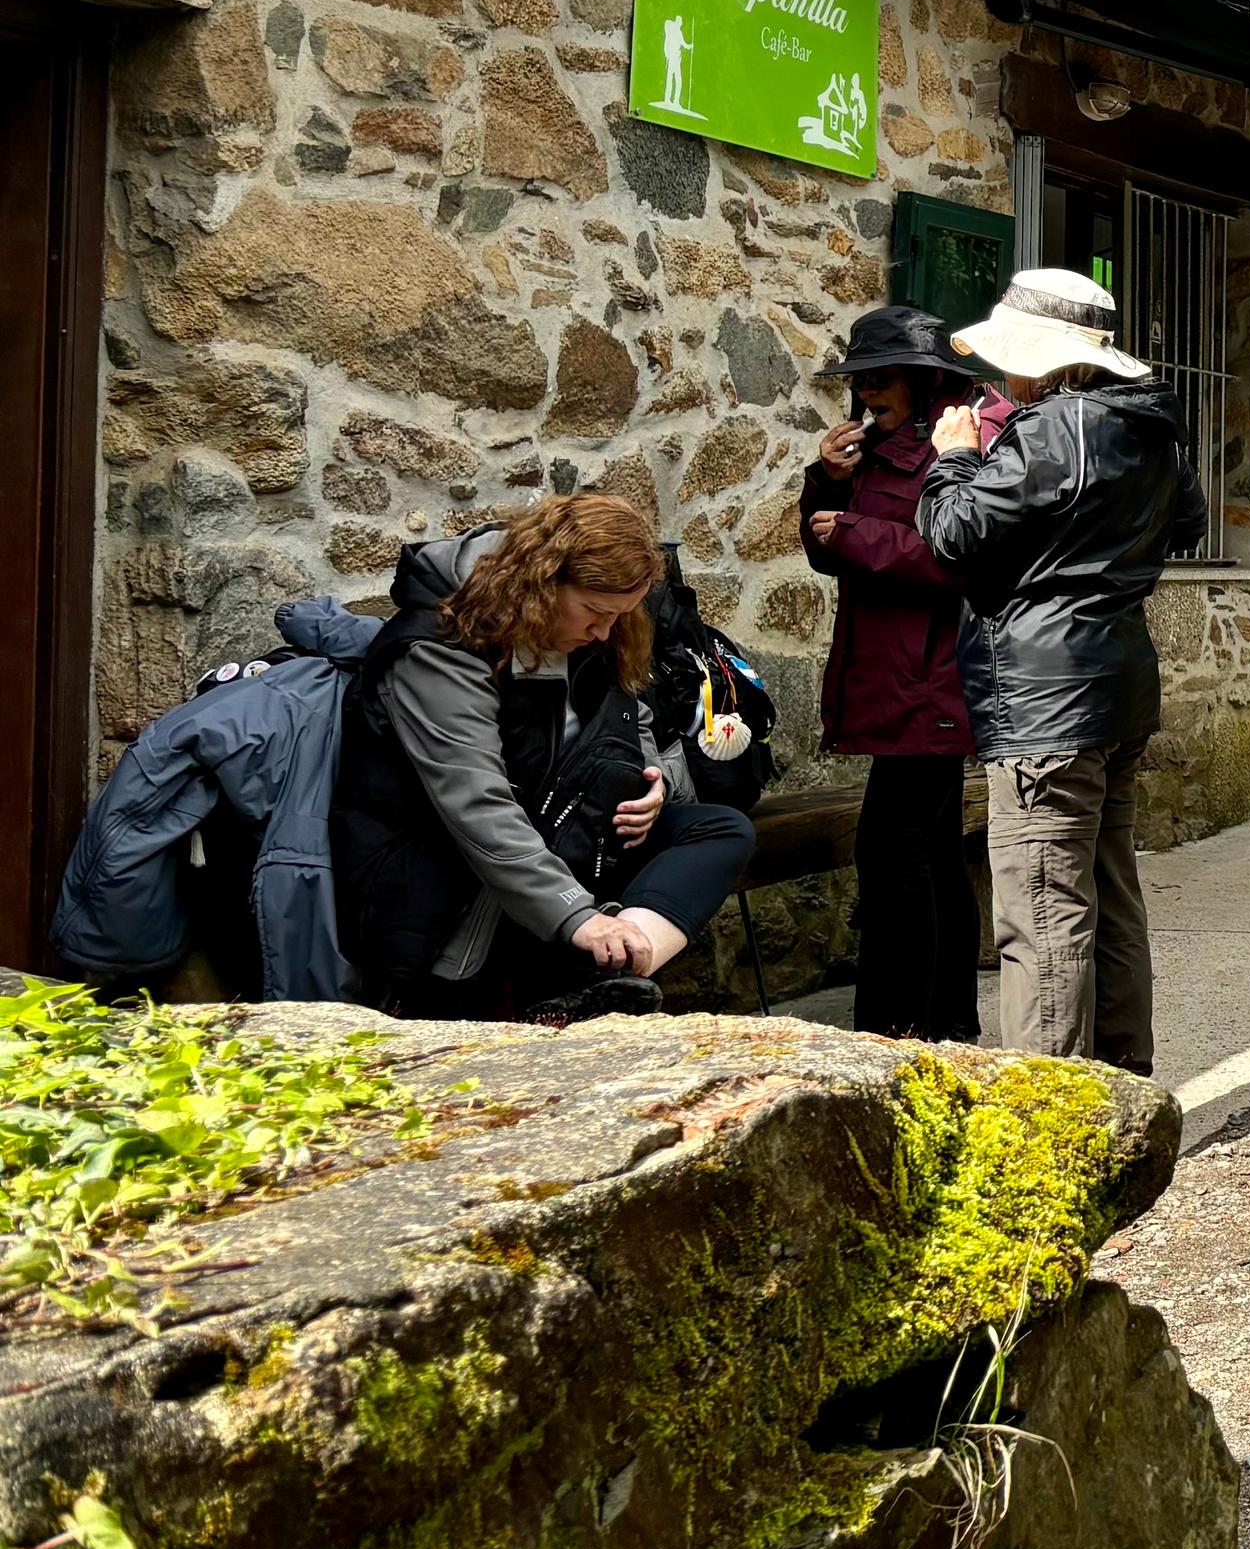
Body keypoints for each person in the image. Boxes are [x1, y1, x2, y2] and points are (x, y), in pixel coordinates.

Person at [917, 267, 1206, 1071]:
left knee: (1042, 910)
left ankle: (1053, 1122)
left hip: (1043, 702)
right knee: (1110, 899)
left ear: (1039, 359)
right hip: (1116, 688)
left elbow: (953, 533)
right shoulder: (1146, 427)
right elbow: (1189, 520)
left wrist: (954, 456)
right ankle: (1123, 1092)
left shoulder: (1049, 430)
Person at [331, 493, 756, 1018]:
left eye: (619, 617)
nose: (604, 632)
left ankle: (609, 977)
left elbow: (629, 715)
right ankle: (597, 972)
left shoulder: (586, 629)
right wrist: (577, 916)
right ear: (541, 583)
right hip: (454, 880)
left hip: (565, 835)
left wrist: (650, 784)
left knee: (719, 829)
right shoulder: (437, 650)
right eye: (596, 614)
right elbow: (477, 806)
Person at [801, 303, 980, 1043]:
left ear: (921, 379)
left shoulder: (953, 450)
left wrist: (855, 531)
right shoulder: (875, 452)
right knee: (930, 851)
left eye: (882, 378)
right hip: (894, 675)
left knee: (894, 850)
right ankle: (941, 1019)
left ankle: (895, 1023)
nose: (867, 392)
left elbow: (957, 561)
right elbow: (826, 549)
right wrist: (827, 481)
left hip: (932, 681)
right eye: (861, 380)